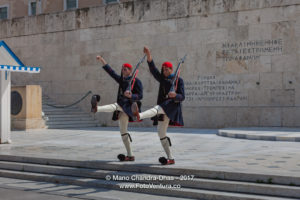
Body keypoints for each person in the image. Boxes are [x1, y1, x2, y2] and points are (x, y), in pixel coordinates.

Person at [132, 47, 185, 165]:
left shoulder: (178, 81)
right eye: (164, 69)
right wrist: (149, 54)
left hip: (171, 106)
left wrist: (175, 95)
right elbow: (153, 69)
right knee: (161, 133)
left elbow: (182, 97)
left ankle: (139, 115)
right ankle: (170, 158)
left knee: (157, 109)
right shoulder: (162, 79)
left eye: (167, 69)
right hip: (164, 107)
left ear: (171, 69)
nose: (165, 71)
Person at [91, 55, 143, 162]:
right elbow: (111, 72)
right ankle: (130, 155)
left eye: (126, 69)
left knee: (115, 106)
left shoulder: (137, 81)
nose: (123, 70)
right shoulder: (122, 80)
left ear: (130, 70)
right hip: (122, 108)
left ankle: (97, 108)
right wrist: (102, 60)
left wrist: (131, 96)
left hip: (128, 106)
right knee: (123, 132)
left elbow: (140, 96)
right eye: (123, 69)